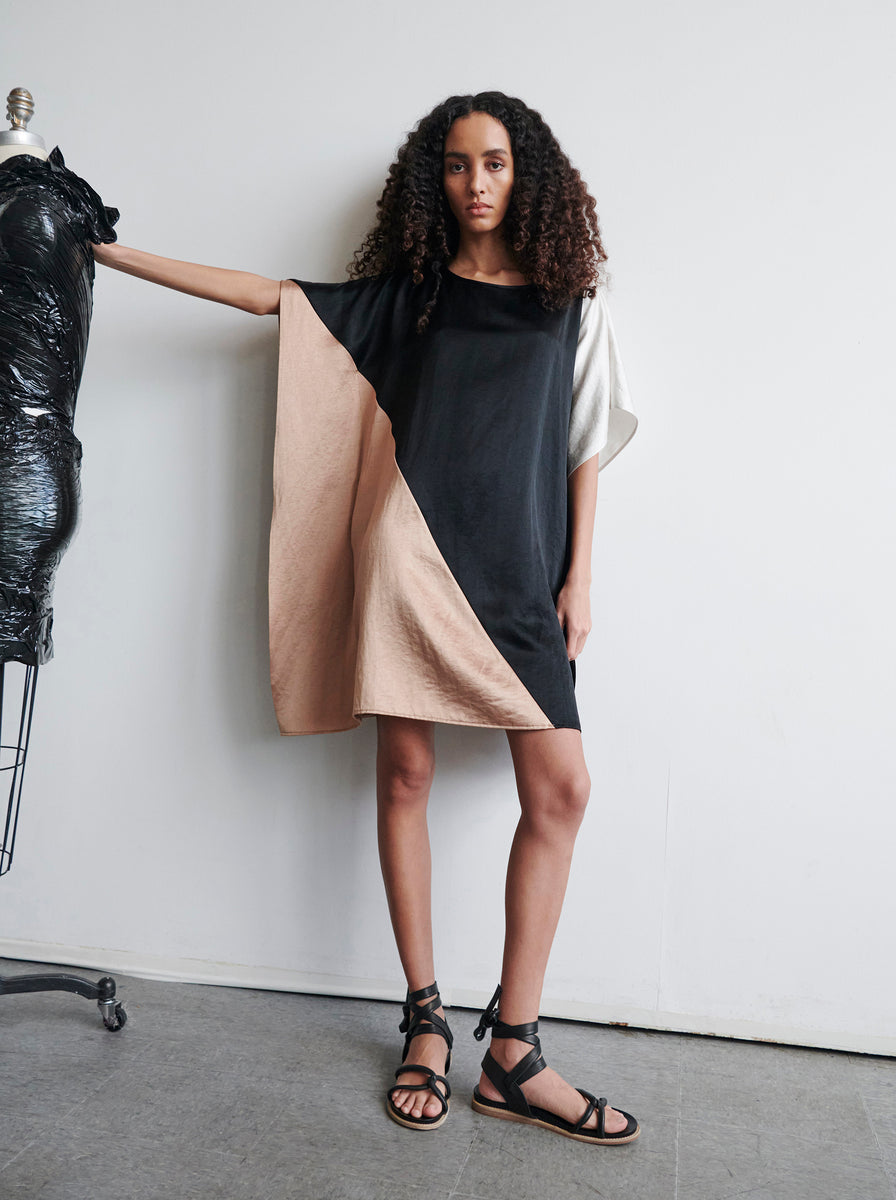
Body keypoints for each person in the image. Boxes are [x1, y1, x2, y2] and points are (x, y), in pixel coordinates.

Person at [92, 90, 639, 1146]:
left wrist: (580, 575)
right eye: (453, 165)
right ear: (431, 182)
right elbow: (267, 300)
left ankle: (515, 1050)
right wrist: (107, 253)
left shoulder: (572, 301)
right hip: (411, 563)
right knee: (406, 777)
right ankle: (427, 1022)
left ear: (526, 173)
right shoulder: (412, 301)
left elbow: (583, 446)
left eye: (492, 163)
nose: (474, 183)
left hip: (520, 577)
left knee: (562, 789)